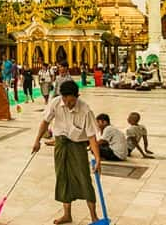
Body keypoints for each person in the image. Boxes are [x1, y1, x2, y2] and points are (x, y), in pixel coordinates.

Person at [33, 80, 101, 225]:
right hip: (61, 145)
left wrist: (98, 158)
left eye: (71, 101)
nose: (68, 104)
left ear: (78, 96)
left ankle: (94, 217)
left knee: (84, 179)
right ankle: (67, 215)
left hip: (78, 147)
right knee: (62, 178)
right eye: (65, 100)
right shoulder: (56, 102)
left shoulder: (85, 110)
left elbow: (91, 136)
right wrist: (37, 140)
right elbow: (45, 122)